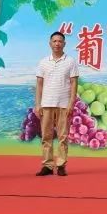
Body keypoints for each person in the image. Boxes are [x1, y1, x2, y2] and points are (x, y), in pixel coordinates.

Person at [35, 31, 79, 177]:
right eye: (54, 41)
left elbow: (74, 83)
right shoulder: (43, 62)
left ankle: (61, 165)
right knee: (46, 136)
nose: (57, 44)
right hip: (46, 103)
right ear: (50, 43)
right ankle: (47, 165)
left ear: (64, 44)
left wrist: (71, 103)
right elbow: (39, 84)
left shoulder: (70, 61)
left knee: (63, 137)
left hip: (64, 104)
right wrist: (37, 104)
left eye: (60, 41)